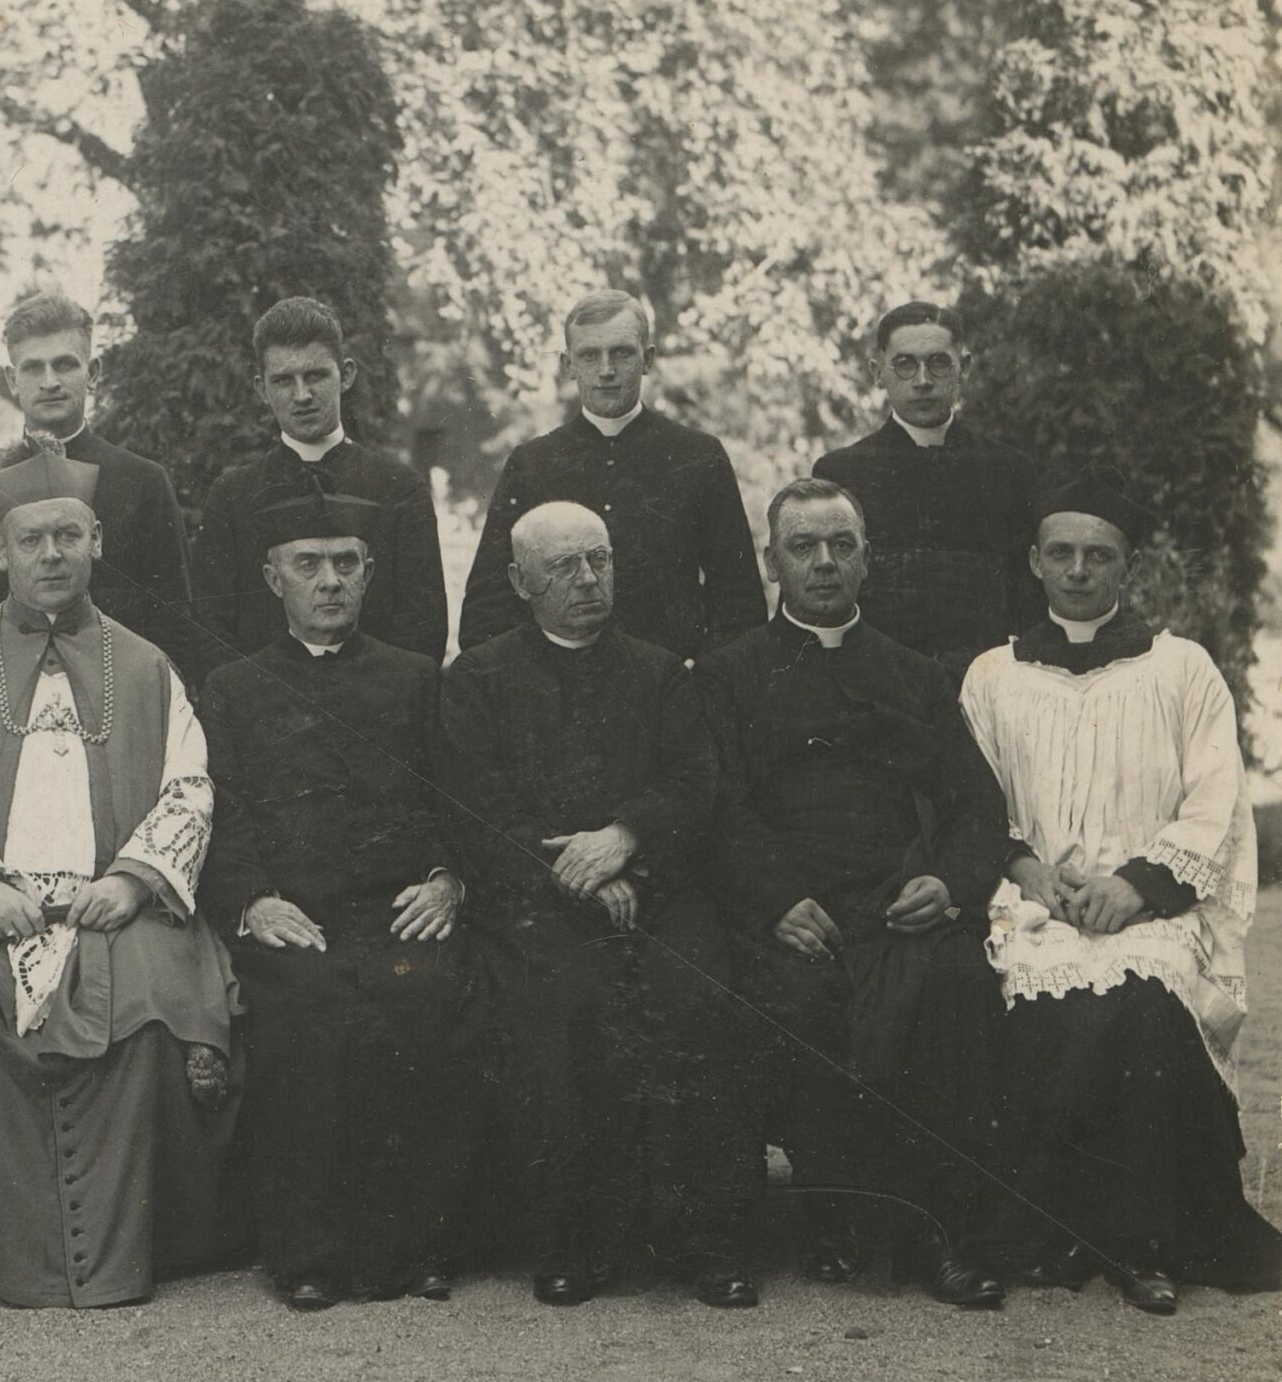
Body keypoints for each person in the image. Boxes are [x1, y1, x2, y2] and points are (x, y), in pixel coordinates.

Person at [0, 441, 236, 1308]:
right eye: (30, 541)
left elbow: (189, 785)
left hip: (115, 899)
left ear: (98, 540)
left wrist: (138, 878)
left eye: (68, 536)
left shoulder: (147, 665)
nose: (52, 556)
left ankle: (133, 1251)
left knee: (150, 1023)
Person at [959, 474, 1282, 1313]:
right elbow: (966, 796)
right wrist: (1027, 870)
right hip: (1031, 899)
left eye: (1098, 556)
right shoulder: (993, 674)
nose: (1077, 571)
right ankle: (1047, 1229)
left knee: (1141, 997)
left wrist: (1137, 887)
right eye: (1060, 553)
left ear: (1126, 567)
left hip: (1149, 904)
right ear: (1034, 561)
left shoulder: (1181, 669)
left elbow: (1216, 800)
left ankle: (1147, 1242)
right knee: (1037, 996)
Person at [697, 478, 1012, 1308]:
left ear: (868, 559)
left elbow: (979, 809)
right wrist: (774, 901)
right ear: (772, 563)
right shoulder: (727, 675)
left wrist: (946, 882)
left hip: (896, 906)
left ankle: (940, 1231)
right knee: (789, 1000)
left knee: (955, 986)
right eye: (804, 547)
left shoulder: (916, 676)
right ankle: (832, 1213)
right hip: (790, 915)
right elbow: (716, 810)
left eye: (842, 545)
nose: (825, 563)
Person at [438, 501, 760, 1309]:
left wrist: (626, 841)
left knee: (698, 999)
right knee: (558, 1007)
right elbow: (477, 807)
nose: (588, 580)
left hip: (655, 890)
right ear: (519, 583)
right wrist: (578, 872)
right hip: (536, 898)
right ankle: (572, 1241)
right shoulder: (476, 679)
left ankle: (708, 1241)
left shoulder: (660, 673)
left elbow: (694, 786)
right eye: (564, 568)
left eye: (600, 560)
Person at [199, 478, 494, 1310]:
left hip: (401, 912)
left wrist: (447, 880)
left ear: (369, 575)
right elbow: (220, 813)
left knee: (430, 1000)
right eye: (308, 565)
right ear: (273, 578)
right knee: (307, 1016)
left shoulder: (414, 680)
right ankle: (308, 1256)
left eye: (345, 565)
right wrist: (253, 900)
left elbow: (458, 801)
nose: (328, 581)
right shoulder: (232, 687)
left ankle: (423, 1247)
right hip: (294, 919)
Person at [456, 291, 762, 661]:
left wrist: (701, 684)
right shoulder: (532, 463)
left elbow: (738, 600)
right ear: (568, 364)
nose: (606, 370)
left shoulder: (698, 456)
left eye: (622, 352)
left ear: (647, 359)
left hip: (671, 692)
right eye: (589, 355)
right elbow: (487, 606)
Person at [0, 293, 193, 667]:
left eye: (65, 365)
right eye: (33, 368)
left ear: (93, 374)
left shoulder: (143, 482)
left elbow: (174, 626)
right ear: (11, 379)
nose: (50, 382)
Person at [192, 297, 446, 666]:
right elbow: (210, 630)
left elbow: (424, 629)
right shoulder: (233, 496)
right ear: (262, 389)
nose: (302, 396)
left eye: (315, 375)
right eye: (283, 381)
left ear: (345, 375)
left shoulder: (399, 488)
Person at [812, 302, 1042, 677]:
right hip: (875, 686)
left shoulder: (1009, 471)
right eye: (905, 364)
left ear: (963, 368)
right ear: (878, 373)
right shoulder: (842, 471)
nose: (922, 380)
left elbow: (1031, 599)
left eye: (938, 362)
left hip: (985, 685)